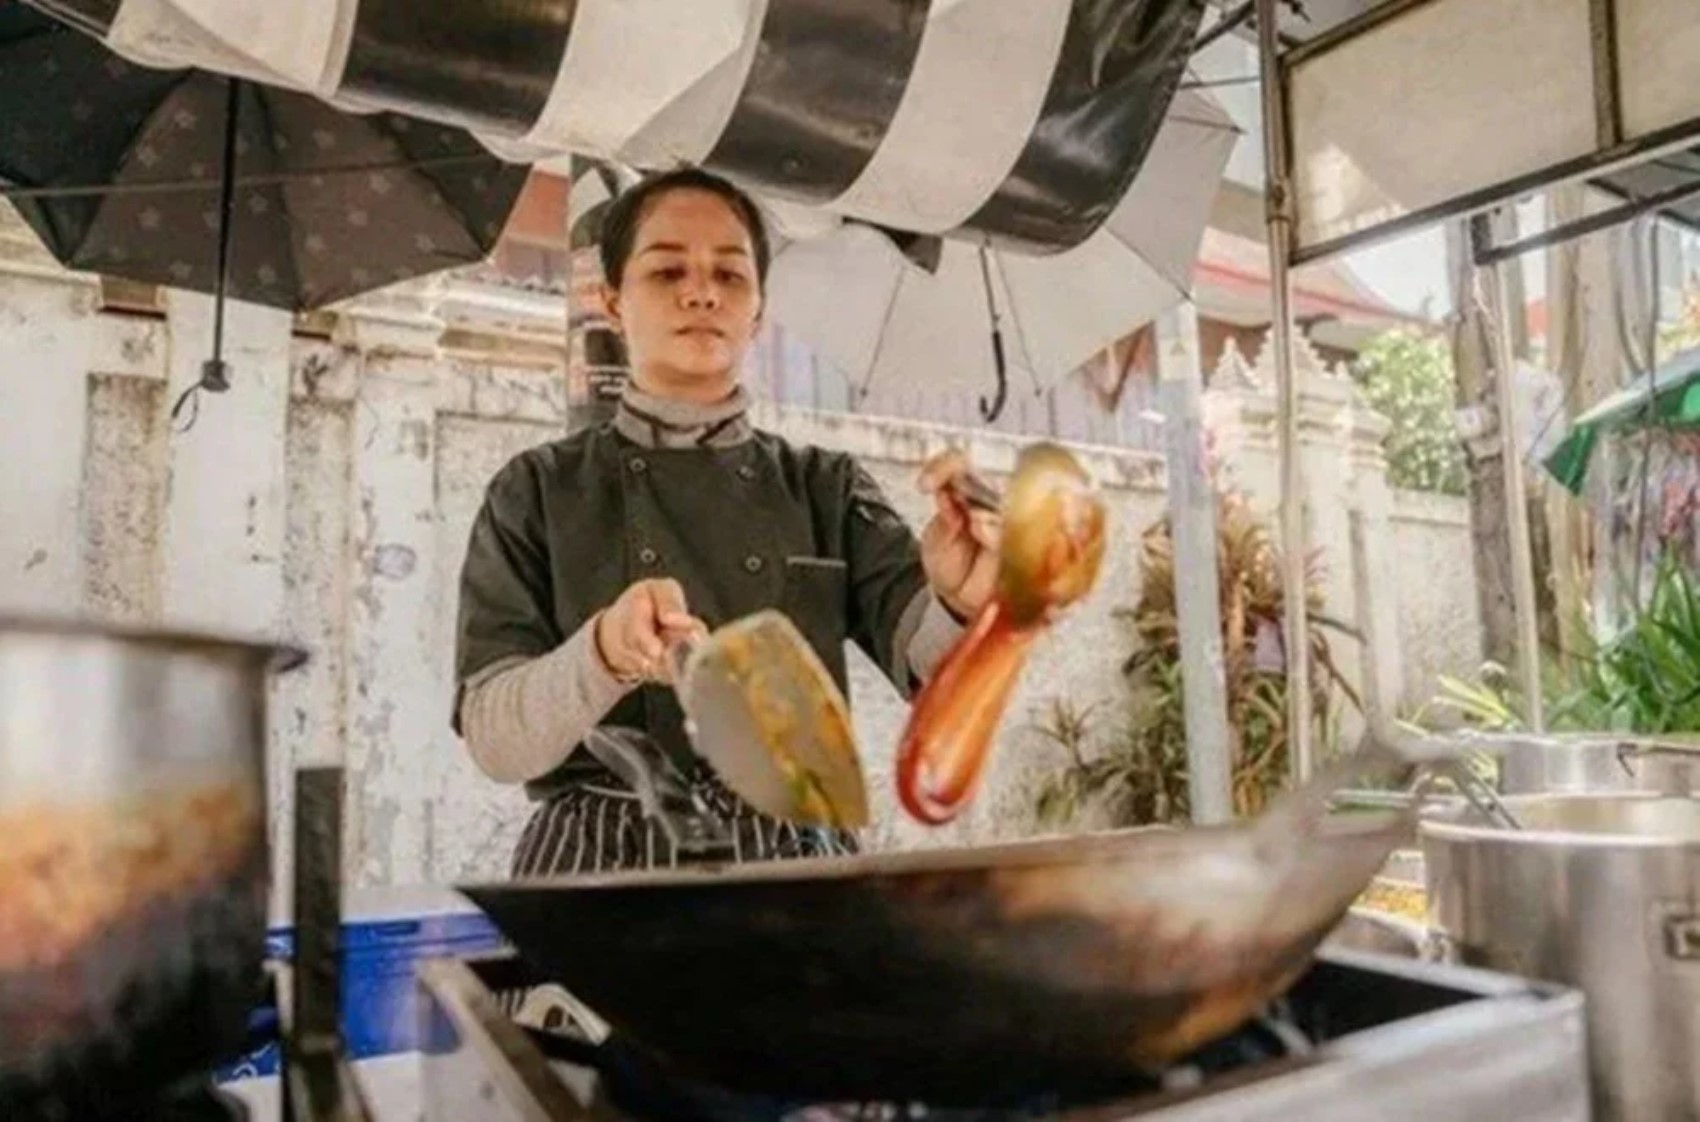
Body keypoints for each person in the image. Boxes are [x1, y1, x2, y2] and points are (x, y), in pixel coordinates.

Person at [453, 167, 1000, 876]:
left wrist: (964, 603)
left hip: (795, 863)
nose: (702, 291)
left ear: (759, 312)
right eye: (666, 269)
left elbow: (943, 685)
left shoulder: (824, 487)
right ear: (612, 301)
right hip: (596, 866)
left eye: (730, 275)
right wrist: (604, 654)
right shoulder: (534, 490)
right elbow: (497, 742)